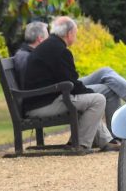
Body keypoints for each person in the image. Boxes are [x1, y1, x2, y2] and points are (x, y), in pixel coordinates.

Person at [13, 21, 126, 125]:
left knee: (105, 72)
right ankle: (118, 131)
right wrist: (86, 93)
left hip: (59, 87)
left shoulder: (44, 49)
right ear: (69, 34)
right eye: (75, 33)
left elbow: (60, 77)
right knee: (108, 89)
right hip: (54, 93)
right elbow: (59, 82)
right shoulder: (44, 52)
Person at [22, 17, 118, 151]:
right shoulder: (60, 51)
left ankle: (105, 141)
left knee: (91, 99)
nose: (76, 36)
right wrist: (91, 93)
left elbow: (68, 82)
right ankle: (80, 144)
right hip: (42, 105)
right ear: (69, 34)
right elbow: (71, 84)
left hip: (41, 100)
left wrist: (87, 92)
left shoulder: (50, 46)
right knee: (98, 100)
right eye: (76, 33)